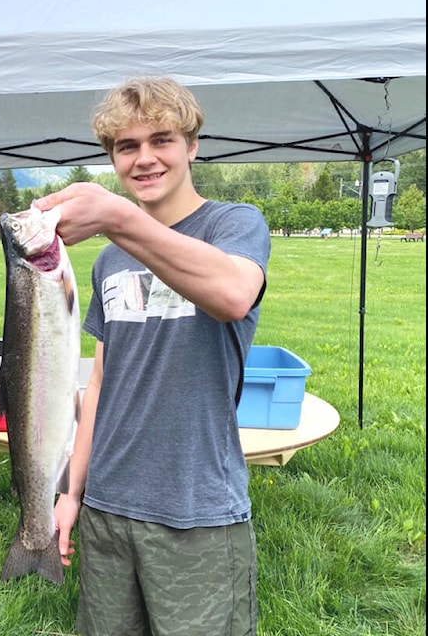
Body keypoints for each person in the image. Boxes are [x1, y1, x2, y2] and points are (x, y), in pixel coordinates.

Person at [39, 76, 270, 635]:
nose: (145, 158)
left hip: (196, 508)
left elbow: (234, 296)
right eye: (126, 146)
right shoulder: (109, 262)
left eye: (161, 140)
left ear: (192, 146)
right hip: (109, 508)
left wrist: (120, 219)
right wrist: (71, 491)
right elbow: (101, 383)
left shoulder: (234, 225)